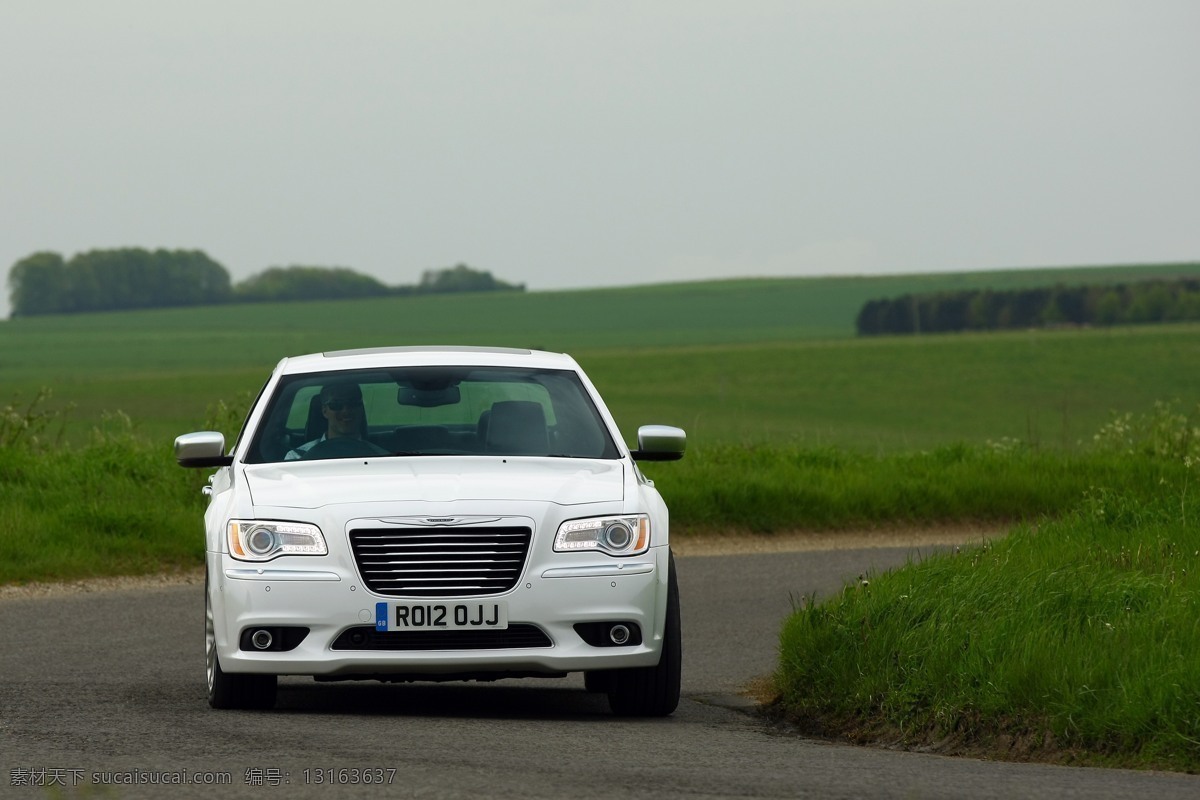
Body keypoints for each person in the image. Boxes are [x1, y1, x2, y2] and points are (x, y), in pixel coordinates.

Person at [285, 382, 388, 460]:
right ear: (324, 411)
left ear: (361, 408)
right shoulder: (297, 457)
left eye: (352, 404)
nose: (346, 411)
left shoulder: (383, 458)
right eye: (336, 405)